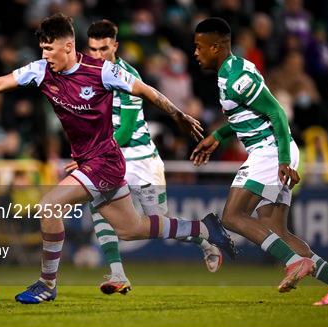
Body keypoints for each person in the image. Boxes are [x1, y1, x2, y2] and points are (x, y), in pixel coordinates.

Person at [0, 13, 236, 304]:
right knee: (133, 229)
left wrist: (178, 115)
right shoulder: (41, 70)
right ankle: (207, 229)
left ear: (67, 46)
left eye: (50, 49)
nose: (46, 55)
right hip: (91, 161)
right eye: (42, 49)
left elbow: (146, 91)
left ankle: (47, 285)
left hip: (104, 161)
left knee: (50, 205)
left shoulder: (101, 71)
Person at [191, 17, 328, 305]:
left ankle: (295, 262)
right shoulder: (231, 72)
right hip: (272, 150)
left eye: (199, 47)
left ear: (216, 47)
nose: (195, 52)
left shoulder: (236, 79)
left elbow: (277, 113)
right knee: (278, 231)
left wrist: (282, 160)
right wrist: (219, 134)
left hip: (270, 151)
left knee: (232, 216)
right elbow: (247, 117)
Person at [69, 19, 222, 295]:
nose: (98, 55)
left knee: (156, 223)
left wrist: (91, 153)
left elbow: (126, 130)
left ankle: (203, 236)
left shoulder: (127, 76)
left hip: (140, 160)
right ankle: (117, 274)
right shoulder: (83, 76)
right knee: (99, 207)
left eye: (104, 48)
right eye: (93, 49)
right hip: (110, 159)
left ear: (115, 46)